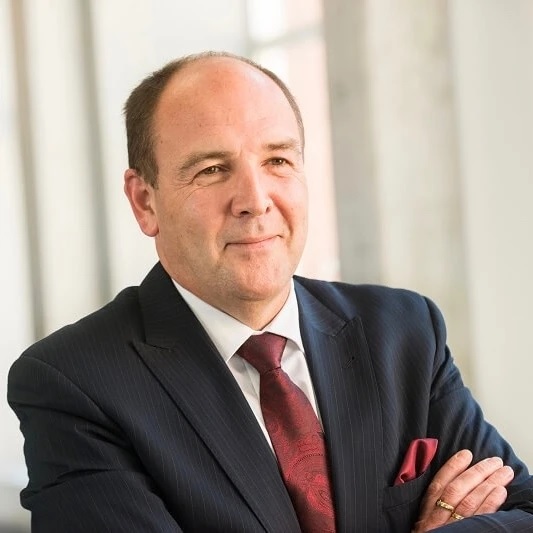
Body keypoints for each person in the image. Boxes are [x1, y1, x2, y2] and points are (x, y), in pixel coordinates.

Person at [7, 51, 533, 532]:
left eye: (278, 160)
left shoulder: (403, 330)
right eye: (213, 170)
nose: (255, 200)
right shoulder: (74, 384)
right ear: (145, 201)